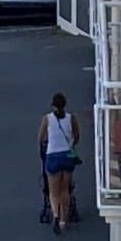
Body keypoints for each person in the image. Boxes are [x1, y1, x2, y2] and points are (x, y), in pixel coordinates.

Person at [39, 92, 79, 230]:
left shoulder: (47, 119)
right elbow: (76, 136)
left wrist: (46, 144)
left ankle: (55, 214)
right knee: (65, 190)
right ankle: (63, 220)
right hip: (67, 156)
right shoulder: (71, 118)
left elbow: (40, 138)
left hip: (52, 156)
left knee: (53, 191)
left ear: (52, 105)